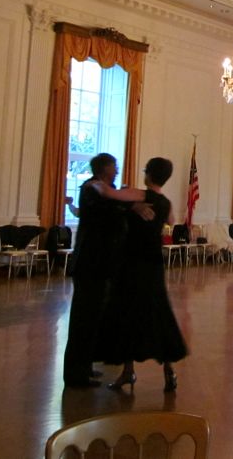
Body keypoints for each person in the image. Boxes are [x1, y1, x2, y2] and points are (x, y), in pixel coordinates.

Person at [90, 157, 188, 393]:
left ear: (149, 175)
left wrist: (92, 184)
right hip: (153, 263)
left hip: (133, 263)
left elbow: (107, 193)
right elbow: (172, 221)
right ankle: (168, 371)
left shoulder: (140, 195)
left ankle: (128, 371)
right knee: (157, 313)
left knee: (126, 313)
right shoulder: (164, 201)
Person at [63, 153, 150, 388]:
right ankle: (75, 374)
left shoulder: (109, 189)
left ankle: (86, 366)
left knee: (94, 321)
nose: (117, 169)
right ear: (103, 168)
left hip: (105, 266)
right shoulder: (91, 188)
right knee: (83, 320)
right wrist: (129, 207)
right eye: (114, 166)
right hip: (90, 265)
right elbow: (104, 214)